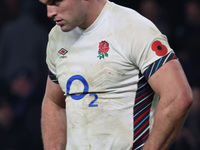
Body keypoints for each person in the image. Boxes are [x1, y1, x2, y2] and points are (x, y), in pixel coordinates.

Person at [39, 0, 193, 150]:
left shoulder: (133, 28)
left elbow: (178, 97)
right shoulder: (57, 36)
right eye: (46, 4)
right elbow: (54, 102)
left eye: (56, 2)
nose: (49, 12)